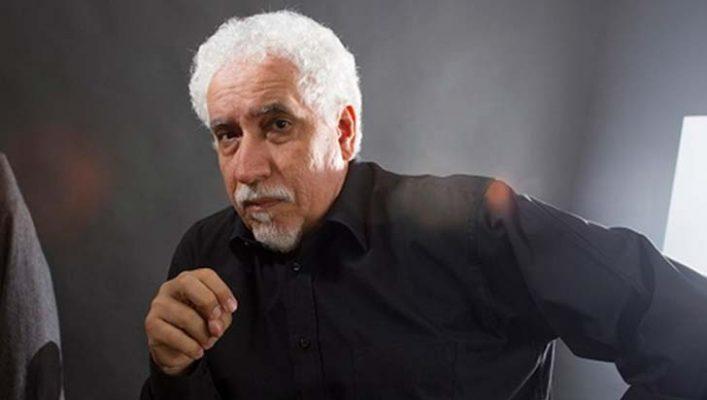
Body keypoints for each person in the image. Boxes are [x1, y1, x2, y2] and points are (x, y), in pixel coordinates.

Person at [140, 10, 707, 400]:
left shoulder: (475, 227)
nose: (246, 169)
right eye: (228, 135)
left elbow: (691, 329)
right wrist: (172, 372)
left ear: (343, 132)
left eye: (278, 125)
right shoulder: (204, 253)